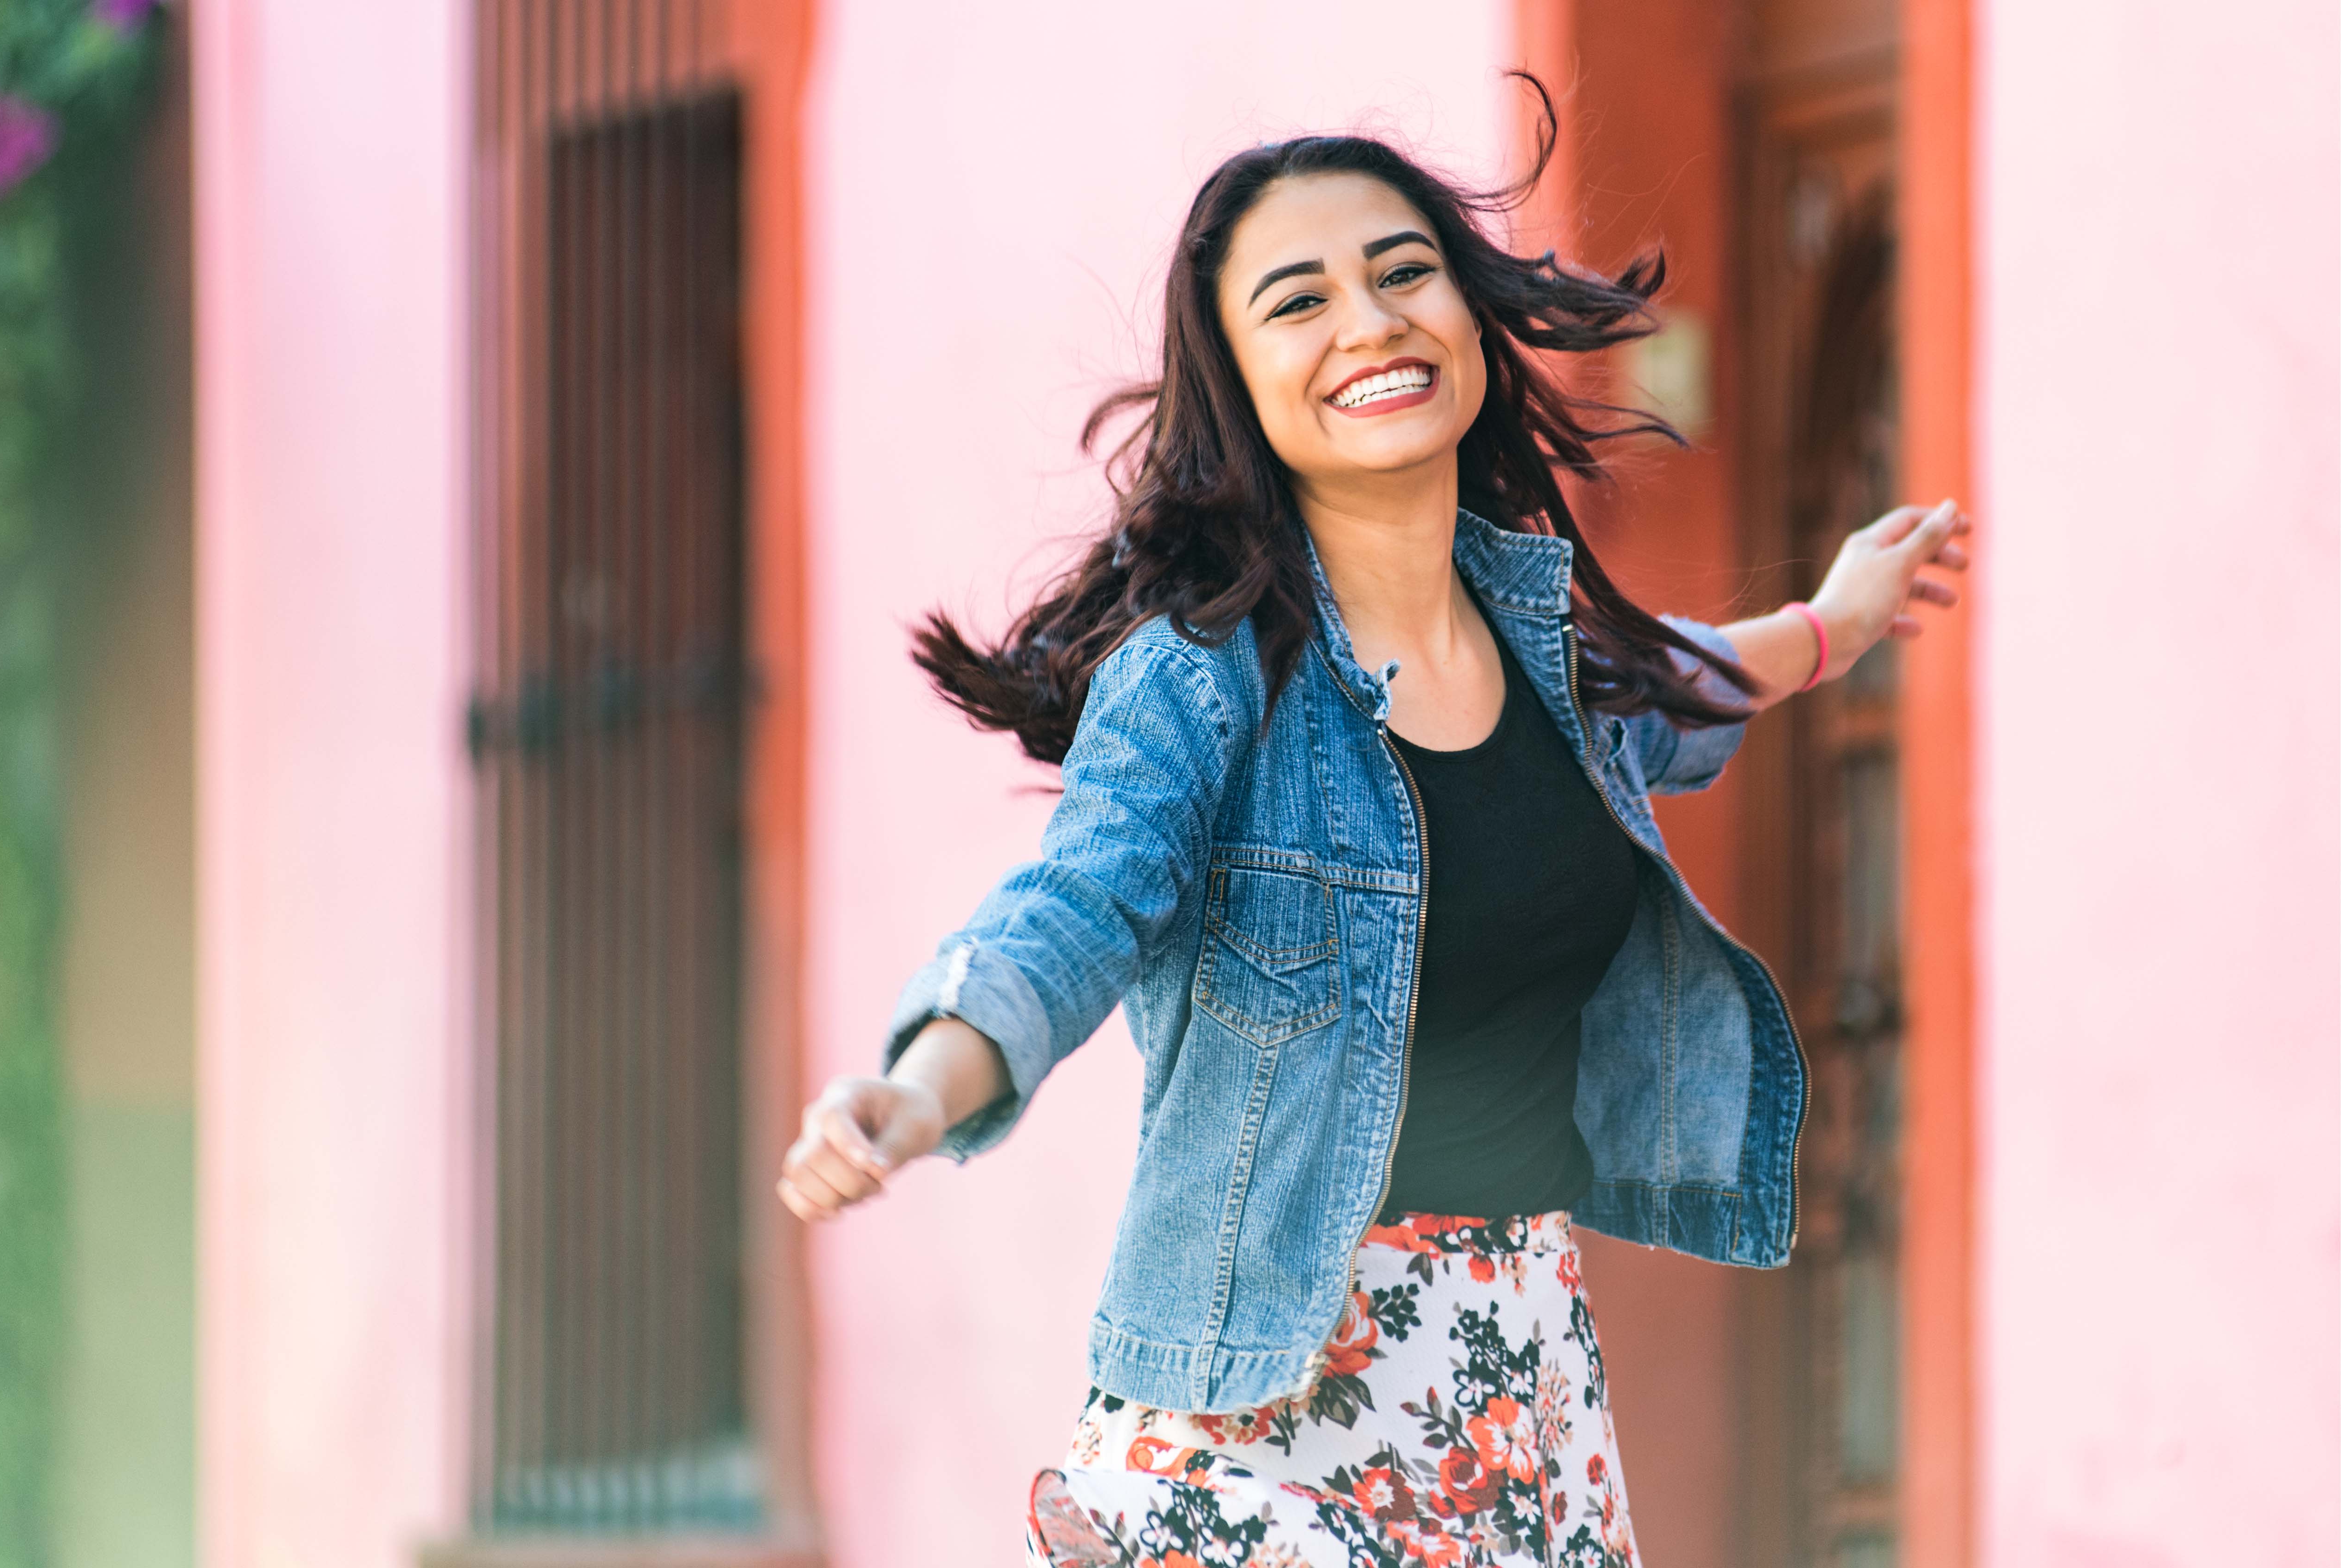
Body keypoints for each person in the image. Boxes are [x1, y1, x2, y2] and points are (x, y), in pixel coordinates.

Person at [778, 85, 1970, 1568]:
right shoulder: (1203, 678)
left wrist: (1832, 624)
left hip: (1518, 1382)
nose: (1371, 320)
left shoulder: (1548, 645)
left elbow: (1676, 687)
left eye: (1403, 272)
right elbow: (1075, 910)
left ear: (1467, 318)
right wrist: (926, 1082)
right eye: (1301, 300)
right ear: (1241, 382)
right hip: (1265, 1402)